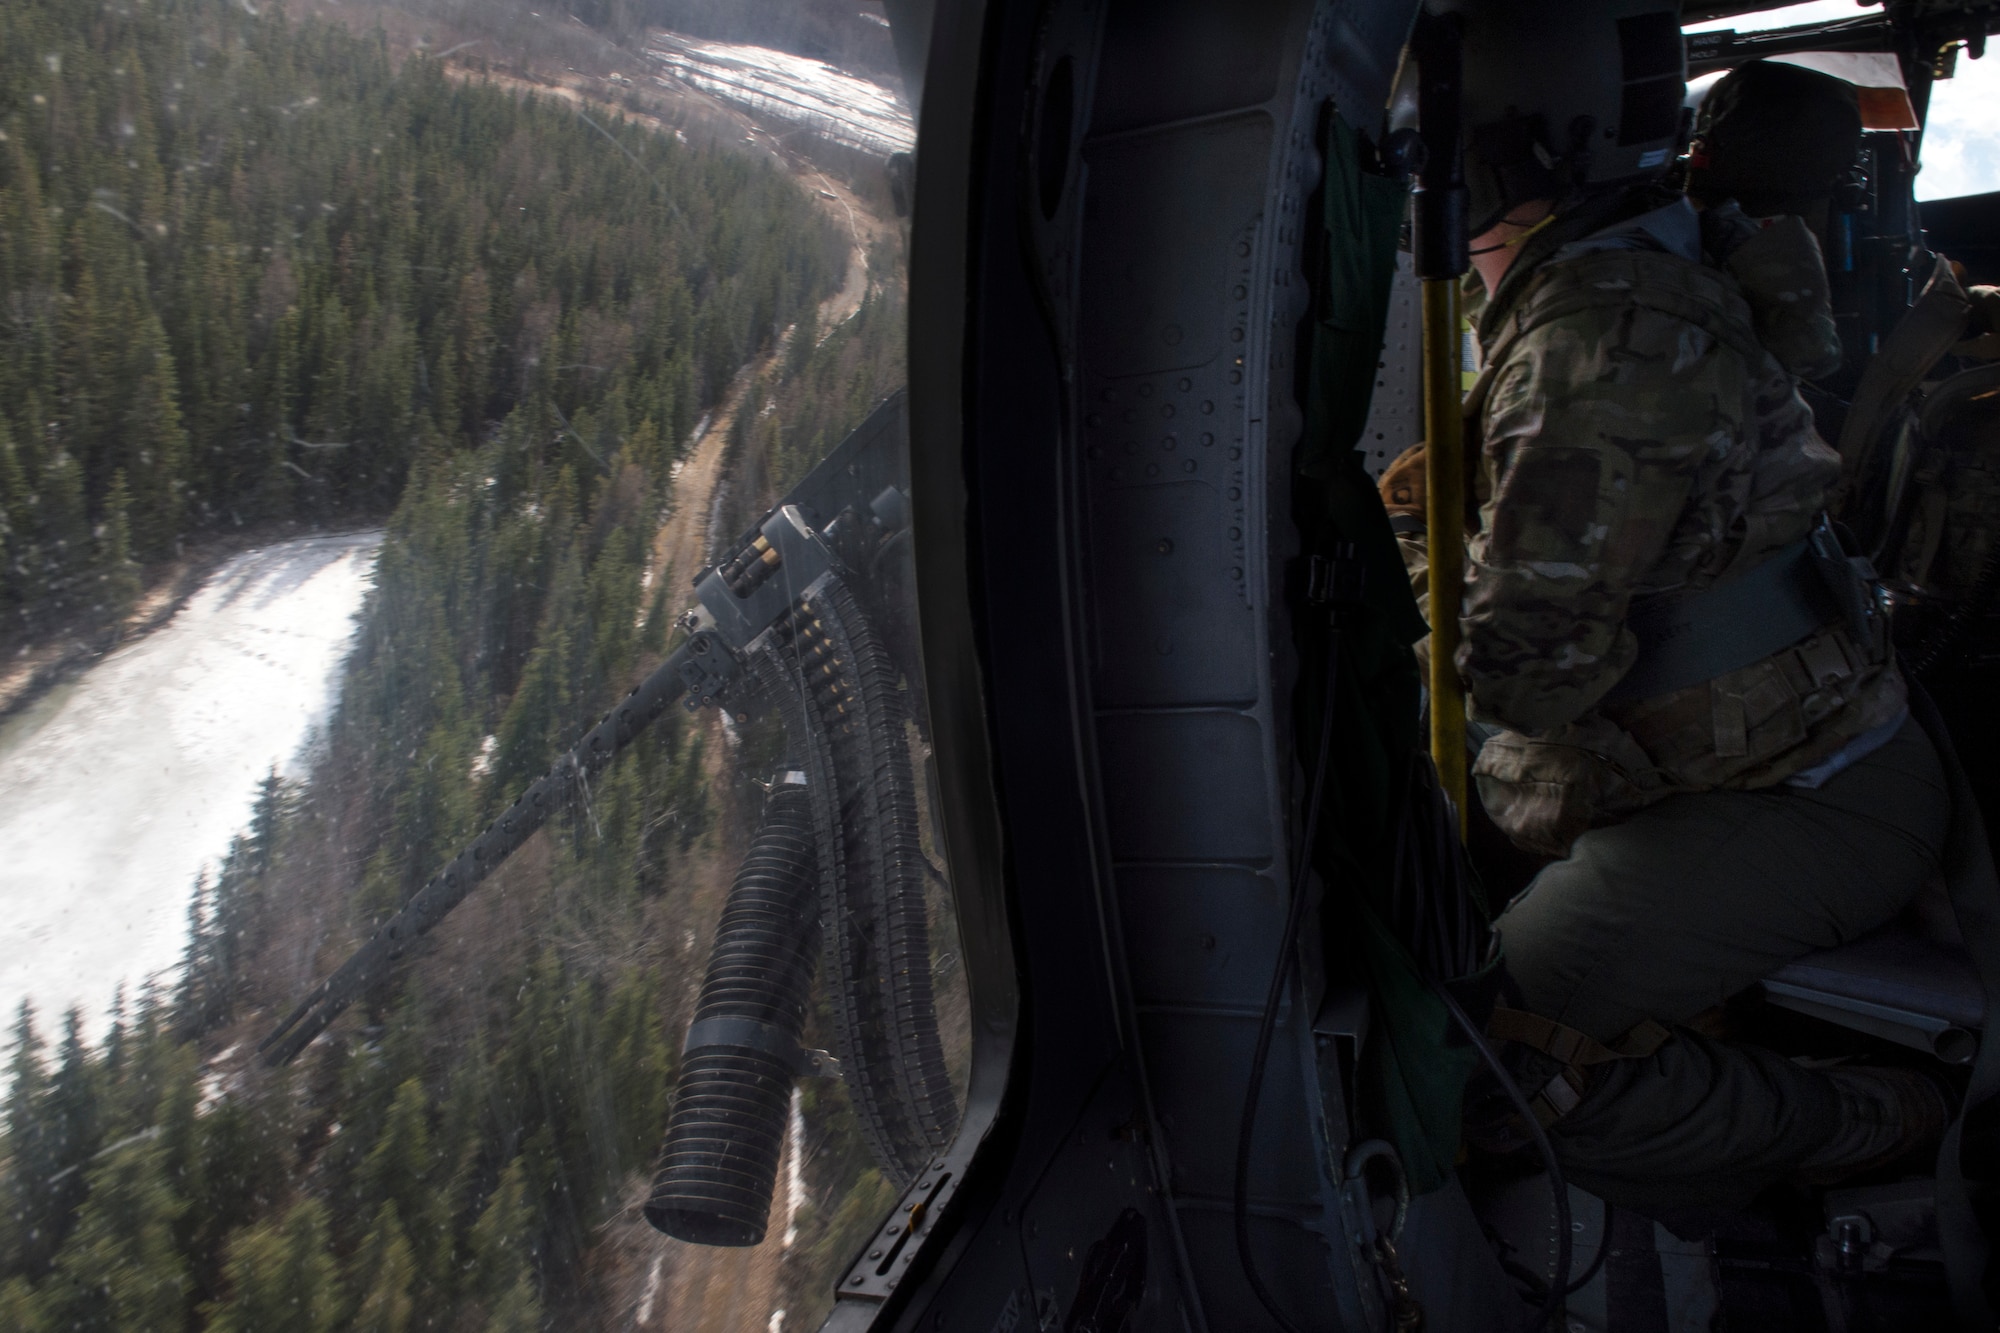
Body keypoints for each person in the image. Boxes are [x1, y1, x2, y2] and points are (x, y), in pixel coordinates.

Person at [1392, 0, 1952, 1213]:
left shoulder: (1606, 338)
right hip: (1742, 763)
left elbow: (1523, 679)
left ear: (1490, 158)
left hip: (1798, 803)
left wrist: (1406, 559)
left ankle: (1885, 1115)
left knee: (1482, 1070)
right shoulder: (1644, 258)